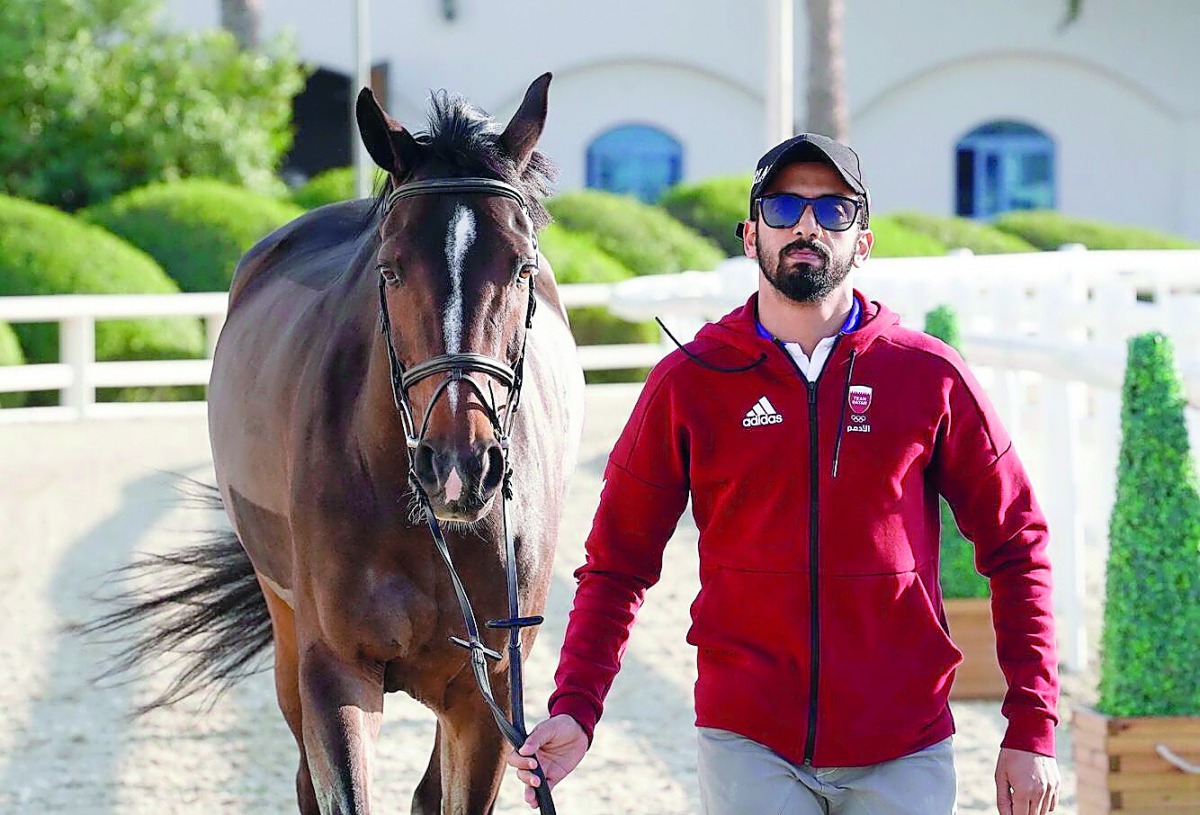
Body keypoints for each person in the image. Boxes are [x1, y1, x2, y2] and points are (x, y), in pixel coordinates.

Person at [507, 134, 1061, 815]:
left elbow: (1017, 543)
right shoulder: (690, 380)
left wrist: (1032, 725)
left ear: (864, 241)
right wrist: (577, 708)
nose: (806, 224)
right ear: (750, 235)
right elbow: (617, 563)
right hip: (748, 742)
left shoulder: (930, 375)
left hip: (904, 743)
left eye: (833, 210)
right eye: (783, 206)